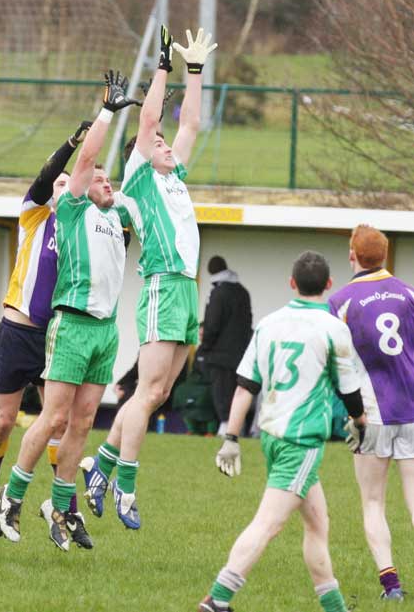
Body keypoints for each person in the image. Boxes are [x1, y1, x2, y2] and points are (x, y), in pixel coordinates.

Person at [80, 25, 217, 530]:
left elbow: (193, 123)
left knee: (158, 393)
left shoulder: (173, 174)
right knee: (147, 390)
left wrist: (196, 70)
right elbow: (153, 117)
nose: (162, 142)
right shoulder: (140, 173)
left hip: (185, 289)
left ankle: (100, 465)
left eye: (163, 143)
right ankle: (127, 488)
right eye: (155, 141)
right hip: (162, 283)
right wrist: (163, 66)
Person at [0, 70, 141, 551]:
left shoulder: (118, 216)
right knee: (54, 419)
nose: (102, 180)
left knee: (81, 424)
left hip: (105, 331)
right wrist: (106, 112)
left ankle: (60, 506)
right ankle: (12, 495)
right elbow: (88, 158)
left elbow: (143, 164)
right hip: (73, 325)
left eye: (107, 178)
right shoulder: (73, 210)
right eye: (95, 177)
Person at [198, 251, 366, 612]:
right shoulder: (334, 328)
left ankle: (335, 607)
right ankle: (217, 600)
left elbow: (245, 385)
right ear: (329, 285)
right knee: (267, 524)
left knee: (318, 524)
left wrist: (231, 437)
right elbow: (350, 391)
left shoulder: (270, 323)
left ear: (292, 283)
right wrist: (360, 422)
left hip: (272, 437)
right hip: (301, 442)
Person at [0, 122, 90, 545]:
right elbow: (46, 178)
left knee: (59, 422)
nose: (62, 187)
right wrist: (72, 145)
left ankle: (64, 510)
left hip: (55, 336)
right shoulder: (34, 214)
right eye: (60, 183)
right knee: (4, 421)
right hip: (17, 331)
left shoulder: (80, 230)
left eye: (69, 184)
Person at [329, 225, 414, 602]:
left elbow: (334, 359)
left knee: (374, 501)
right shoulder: (409, 293)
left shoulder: (341, 301)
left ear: (352, 255)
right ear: (385, 255)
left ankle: (391, 585)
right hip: (411, 409)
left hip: (371, 415)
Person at [201, 255, 252, 435]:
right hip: (240, 355)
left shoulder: (218, 293)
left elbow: (212, 325)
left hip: (220, 356)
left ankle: (226, 430)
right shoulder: (243, 292)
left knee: (222, 396)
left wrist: (205, 347)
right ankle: (239, 428)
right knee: (236, 393)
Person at [172, 323, 218, 436]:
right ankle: (191, 429)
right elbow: (195, 370)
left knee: (203, 396)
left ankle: (210, 430)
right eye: (200, 334)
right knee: (181, 390)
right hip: (197, 383)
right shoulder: (199, 350)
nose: (201, 337)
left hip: (210, 384)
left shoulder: (217, 350)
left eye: (203, 334)